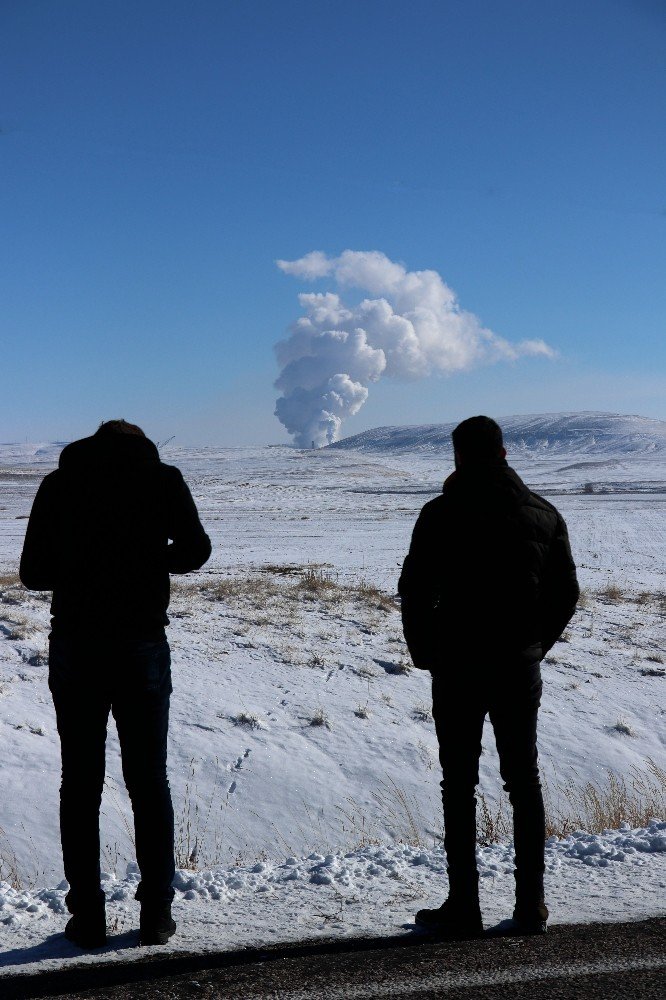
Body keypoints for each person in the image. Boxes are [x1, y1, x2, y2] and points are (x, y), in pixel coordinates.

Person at [20, 420, 211, 948]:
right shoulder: (163, 479)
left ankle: (87, 917)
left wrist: (83, 568)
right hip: (141, 644)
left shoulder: (59, 485)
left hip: (77, 646)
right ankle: (156, 915)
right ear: (141, 444)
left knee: (79, 784)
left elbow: (33, 572)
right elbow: (196, 550)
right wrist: (150, 561)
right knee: (149, 782)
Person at [398, 416, 579, 937]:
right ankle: (531, 905)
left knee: (459, 784)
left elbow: (414, 588)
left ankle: (464, 905)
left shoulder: (439, 514)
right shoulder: (542, 515)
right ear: (503, 453)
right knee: (523, 780)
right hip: (517, 666)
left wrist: (426, 650)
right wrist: (533, 645)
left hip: (457, 666)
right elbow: (564, 594)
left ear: (458, 458)